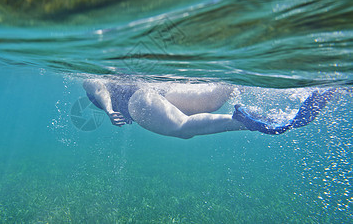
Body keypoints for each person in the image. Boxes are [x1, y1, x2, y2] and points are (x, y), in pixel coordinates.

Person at [83, 78, 335, 139]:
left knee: (182, 127)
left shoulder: (91, 78)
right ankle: (311, 89)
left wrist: (107, 110)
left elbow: (99, 90)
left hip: (138, 101)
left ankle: (240, 120)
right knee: (214, 98)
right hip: (154, 90)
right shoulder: (119, 69)